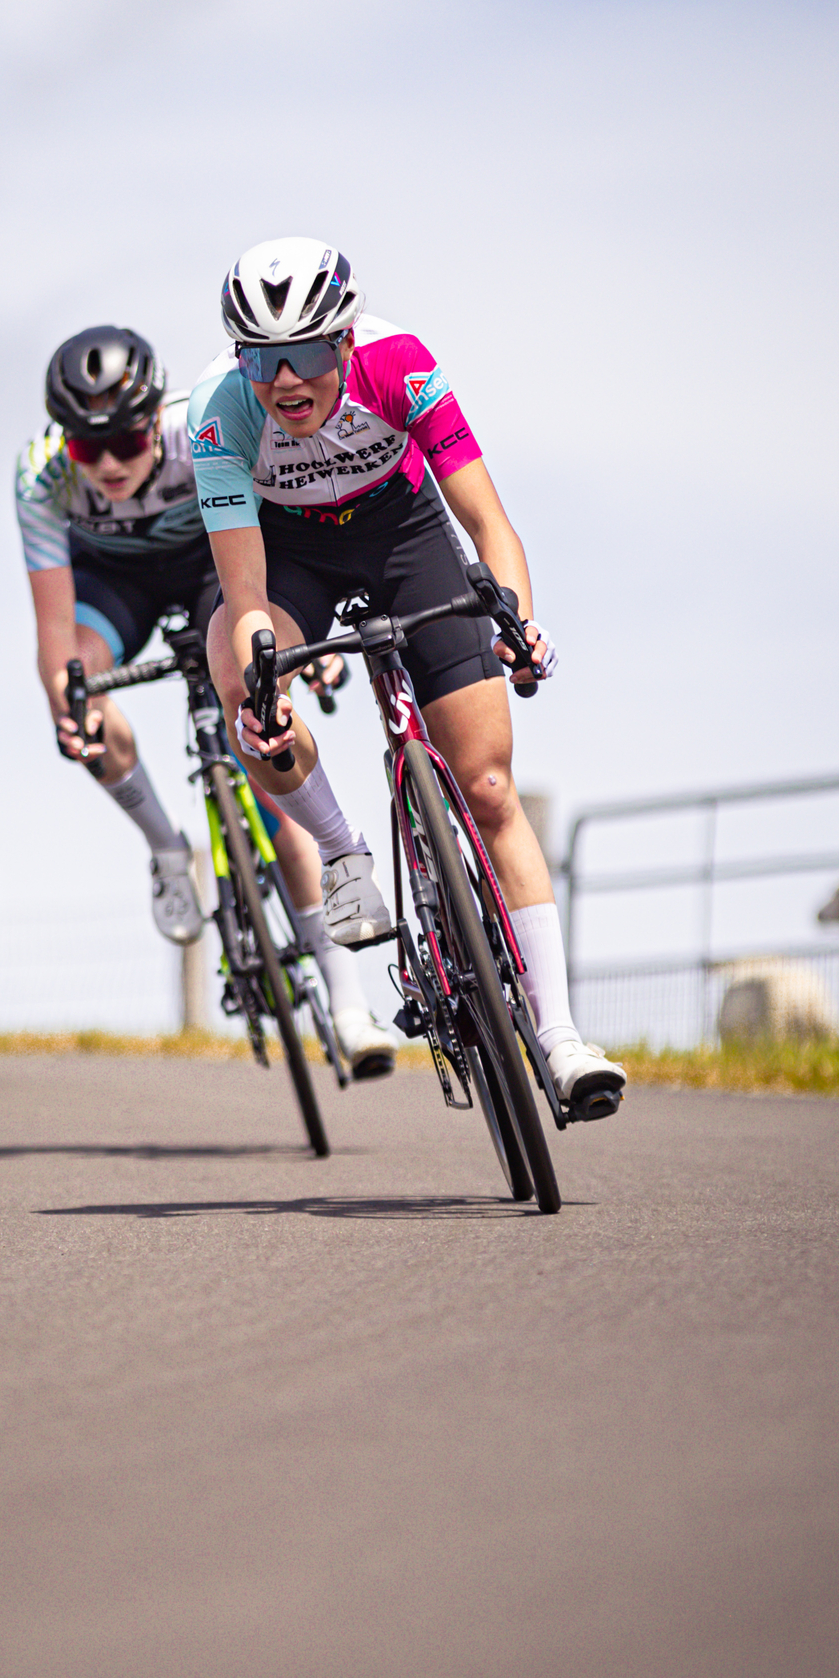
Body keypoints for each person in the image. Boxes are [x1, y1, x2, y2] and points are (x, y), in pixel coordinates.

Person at [188, 238, 625, 1119]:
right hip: (291, 553)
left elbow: (489, 523)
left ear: (344, 342)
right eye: (262, 360)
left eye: (306, 353)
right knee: (239, 676)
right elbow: (246, 597)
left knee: (490, 785)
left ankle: (561, 1038)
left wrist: (518, 618)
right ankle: (344, 849)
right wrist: (264, 686)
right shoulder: (218, 414)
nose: (285, 381)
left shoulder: (403, 365)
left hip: (404, 530)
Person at [19, 323, 397, 1075]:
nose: (111, 464)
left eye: (126, 441)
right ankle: (166, 847)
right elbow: (56, 626)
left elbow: (271, 550)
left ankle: (350, 1004)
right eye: (88, 450)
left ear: (152, 417)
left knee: (256, 742)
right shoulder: (40, 475)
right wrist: (69, 697)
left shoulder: (198, 430)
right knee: (77, 692)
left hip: (210, 568)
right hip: (113, 584)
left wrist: (292, 656)